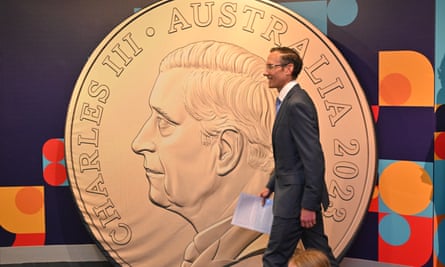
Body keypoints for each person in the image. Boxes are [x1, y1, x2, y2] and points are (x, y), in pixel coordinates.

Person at [132, 41, 277, 266]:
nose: (139, 143)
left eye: (164, 122)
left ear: (226, 150)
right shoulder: (225, 247)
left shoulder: (261, 258)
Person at [259, 46, 339, 267]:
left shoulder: (296, 104)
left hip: (295, 201)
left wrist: (308, 205)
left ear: (289, 69)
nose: (266, 72)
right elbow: (290, 157)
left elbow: (313, 157)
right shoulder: (290, 102)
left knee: (273, 259)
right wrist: (271, 185)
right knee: (321, 255)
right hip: (297, 196)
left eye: (271, 66)